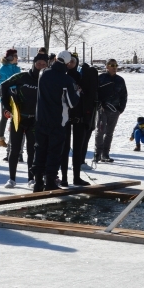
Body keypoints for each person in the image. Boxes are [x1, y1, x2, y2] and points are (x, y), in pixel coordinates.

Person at [32, 51, 80, 191]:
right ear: (67, 63)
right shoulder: (66, 80)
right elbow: (72, 103)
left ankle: (38, 181)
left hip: (40, 119)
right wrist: (77, 92)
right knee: (54, 151)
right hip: (57, 120)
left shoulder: (43, 73)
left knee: (39, 149)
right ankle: (50, 182)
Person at [0, 53, 48, 188]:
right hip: (18, 118)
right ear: (34, 63)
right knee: (14, 150)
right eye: (39, 63)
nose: (41, 66)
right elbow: (3, 86)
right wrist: (8, 106)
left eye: (44, 64)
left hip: (34, 121)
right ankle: (12, 179)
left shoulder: (45, 79)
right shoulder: (23, 76)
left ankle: (31, 179)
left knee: (32, 151)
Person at [94, 58, 127, 164]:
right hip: (102, 109)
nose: (114, 67)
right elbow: (95, 93)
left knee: (109, 133)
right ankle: (97, 153)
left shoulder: (120, 80)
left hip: (115, 110)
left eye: (116, 65)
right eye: (112, 65)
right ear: (107, 66)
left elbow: (124, 95)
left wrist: (120, 109)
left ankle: (105, 154)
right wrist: (99, 104)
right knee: (100, 132)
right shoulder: (101, 78)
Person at [58, 53, 83, 186]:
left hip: (78, 116)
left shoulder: (80, 77)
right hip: (65, 116)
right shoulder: (63, 77)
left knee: (78, 148)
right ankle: (64, 178)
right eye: (69, 61)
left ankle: (77, 177)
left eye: (73, 61)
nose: (71, 64)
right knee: (65, 148)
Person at [73, 59, 99, 182]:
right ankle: (79, 163)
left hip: (86, 112)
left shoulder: (82, 76)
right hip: (85, 114)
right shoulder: (82, 77)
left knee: (82, 138)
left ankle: (79, 163)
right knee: (82, 139)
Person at [0, 49, 20, 148]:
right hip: (6, 96)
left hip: (16, 96)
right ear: (10, 57)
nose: (17, 58)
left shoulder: (17, 68)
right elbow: (0, 84)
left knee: (16, 117)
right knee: (5, 117)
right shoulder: (3, 69)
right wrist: (7, 92)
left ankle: (14, 138)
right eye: (15, 56)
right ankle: (1, 139)